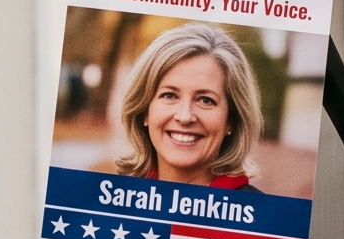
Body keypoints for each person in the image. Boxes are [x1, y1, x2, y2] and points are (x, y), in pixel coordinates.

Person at [110, 21, 262, 189]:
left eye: (205, 100)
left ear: (231, 120)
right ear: (144, 110)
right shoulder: (114, 199)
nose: (185, 116)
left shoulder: (259, 213)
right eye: (169, 95)